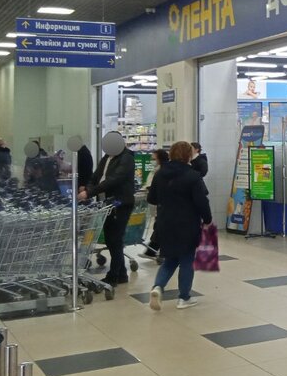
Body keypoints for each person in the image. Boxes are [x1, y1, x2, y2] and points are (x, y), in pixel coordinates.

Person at [147, 142, 212, 311]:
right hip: (187, 224)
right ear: (188, 155)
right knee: (187, 260)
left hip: (165, 223)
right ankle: (184, 297)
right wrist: (207, 219)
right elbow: (201, 201)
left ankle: (157, 287)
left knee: (170, 259)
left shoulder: (160, 173)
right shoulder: (193, 176)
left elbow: (151, 198)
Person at [80, 132, 136, 286]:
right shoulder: (106, 158)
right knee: (111, 240)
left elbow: (114, 180)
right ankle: (122, 274)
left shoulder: (127, 159)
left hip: (120, 203)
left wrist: (89, 192)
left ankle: (113, 276)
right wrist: (88, 188)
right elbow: (95, 177)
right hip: (106, 203)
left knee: (115, 240)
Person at [142, 149, 169, 259]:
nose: (152, 161)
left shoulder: (161, 172)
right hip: (160, 204)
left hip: (161, 204)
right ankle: (153, 251)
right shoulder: (157, 170)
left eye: (154, 159)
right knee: (159, 226)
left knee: (159, 227)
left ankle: (153, 251)